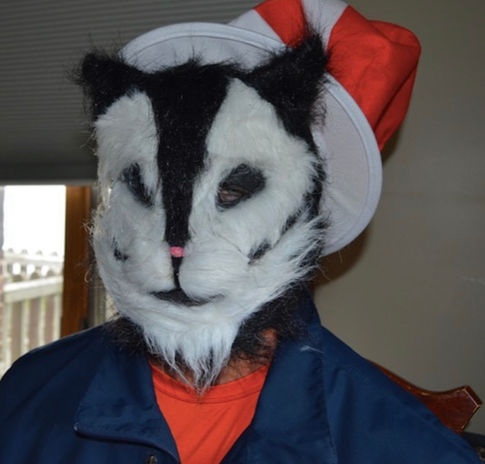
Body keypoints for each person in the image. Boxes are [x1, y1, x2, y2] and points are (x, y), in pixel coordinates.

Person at [0, 0, 479, 462]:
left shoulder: (405, 446)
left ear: (307, 208)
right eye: (144, 188)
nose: (176, 247)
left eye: (232, 192)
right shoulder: (25, 393)